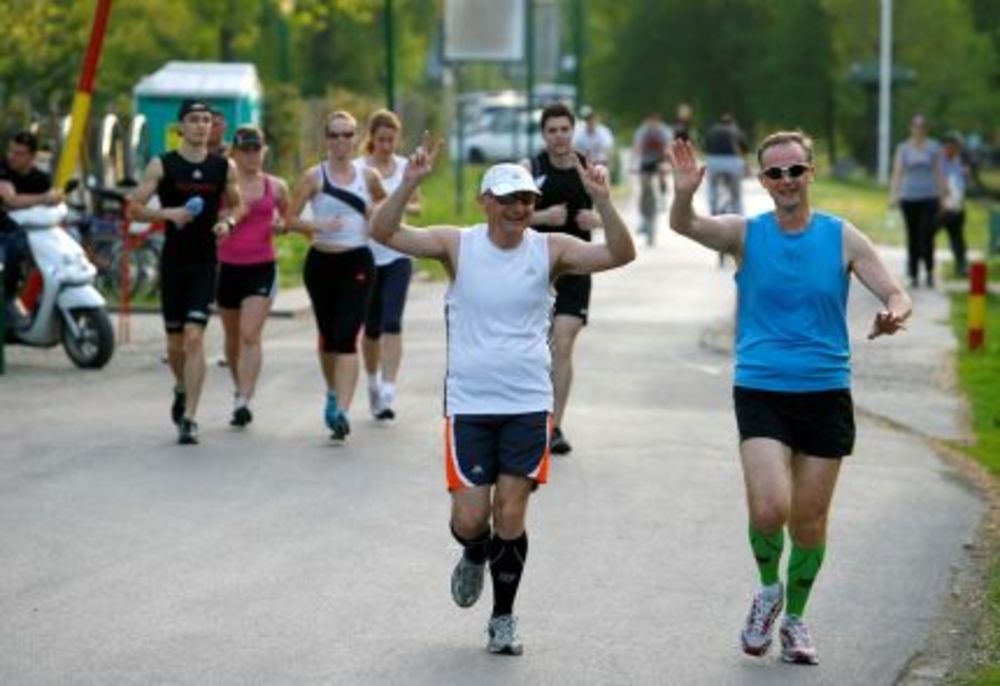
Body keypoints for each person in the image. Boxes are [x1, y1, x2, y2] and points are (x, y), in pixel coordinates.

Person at [371, 137, 635, 656]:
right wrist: (409, 183)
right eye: (509, 199)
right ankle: (473, 552)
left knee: (511, 512)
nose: (519, 209)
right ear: (485, 201)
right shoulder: (457, 243)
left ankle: (503, 617)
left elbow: (620, 253)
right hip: (469, 403)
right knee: (473, 519)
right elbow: (382, 231)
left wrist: (602, 200)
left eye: (527, 201)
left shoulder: (549, 249)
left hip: (528, 402)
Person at [669, 131, 911, 665]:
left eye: (794, 171)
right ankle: (767, 590)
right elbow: (683, 225)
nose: (785, 181)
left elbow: (894, 291)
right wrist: (685, 192)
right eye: (774, 174)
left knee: (808, 521)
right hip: (761, 387)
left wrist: (894, 313)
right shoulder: (745, 234)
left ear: (811, 172)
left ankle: (795, 619)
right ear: (762, 181)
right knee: (769, 506)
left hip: (826, 390)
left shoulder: (842, 237)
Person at [129, 99, 243, 445]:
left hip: (205, 262)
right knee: (175, 342)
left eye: (206, 120)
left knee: (195, 337)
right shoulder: (163, 165)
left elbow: (237, 204)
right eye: (193, 120)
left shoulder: (223, 167)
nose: (200, 126)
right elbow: (134, 208)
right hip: (174, 263)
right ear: (181, 127)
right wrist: (170, 215)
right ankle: (180, 386)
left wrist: (228, 222)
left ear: (212, 127)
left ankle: (190, 418)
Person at [286, 111, 386, 441]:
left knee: (346, 336)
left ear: (356, 138)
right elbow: (289, 219)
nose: (341, 141)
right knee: (328, 337)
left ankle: (342, 411)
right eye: (335, 135)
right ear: (326, 140)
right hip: (321, 264)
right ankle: (332, 392)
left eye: (347, 135)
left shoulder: (368, 176)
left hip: (357, 261)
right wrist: (316, 226)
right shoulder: (314, 177)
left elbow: (387, 211)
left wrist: (374, 216)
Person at [523, 103, 603, 455]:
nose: (559, 136)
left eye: (564, 129)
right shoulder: (531, 169)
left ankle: (553, 426)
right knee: (533, 348)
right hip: (535, 267)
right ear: (544, 134)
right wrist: (543, 215)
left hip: (576, 267)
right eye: (552, 130)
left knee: (563, 341)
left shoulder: (589, 168)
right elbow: (510, 218)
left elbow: (607, 213)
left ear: (574, 132)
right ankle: (527, 415)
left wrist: (595, 220)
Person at [217, 126, 290, 427]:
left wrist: (281, 225)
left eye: (255, 149)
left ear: (264, 151)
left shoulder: (277, 186)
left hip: (261, 266)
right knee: (233, 338)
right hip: (228, 267)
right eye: (245, 150)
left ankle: (243, 399)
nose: (251, 155)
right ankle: (239, 387)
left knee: (250, 334)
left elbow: (289, 216)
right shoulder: (223, 187)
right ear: (234, 153)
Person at [359, 109, 421, 420]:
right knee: (370, 328)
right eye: (381, 139)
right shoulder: (360, 169)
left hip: (398, 251)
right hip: (367, 254)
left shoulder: (405, 167)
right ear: (372, 138)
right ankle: (371, 381)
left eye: (391, 139)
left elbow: (418, 206)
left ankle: (388, 389)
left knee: (392, 321)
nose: (386, 145)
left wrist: (397, 202)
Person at [0, 131, 61, 325]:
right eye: (11, 151)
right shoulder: (3, 169)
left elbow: (54, 202)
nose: (12, 156)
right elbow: (10, 199)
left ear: (32, 157)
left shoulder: (41, 178)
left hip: (30, 232)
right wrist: (44, 198)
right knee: (12, 252)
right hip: (4, 232)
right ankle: (8, 298)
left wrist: (56, 199)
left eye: (19, 153)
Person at [889, 113, 946, 288]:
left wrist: (943, 195)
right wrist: (893, 195)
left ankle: (929, 271)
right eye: (915, 125)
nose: (918, 129)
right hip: (909, 197)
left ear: (926, 129)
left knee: (926, 233)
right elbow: (898, 172)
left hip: (930, 196)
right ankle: (913, 273)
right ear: (911, 128)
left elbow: (938, 172)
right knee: (912, 235)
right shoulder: (904, 148)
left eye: (922, 126)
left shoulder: (934, 147)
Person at [631, 112, 672, 241]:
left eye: (655, 121)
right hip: (646, 162)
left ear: (658, 121)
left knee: (662, 172)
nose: (653, 124)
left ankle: (663, 194)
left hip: (659, 160)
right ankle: (644, 218)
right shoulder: (642, 131)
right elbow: (637, 148)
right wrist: (634, 164)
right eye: (650, 121)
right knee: (644, 188)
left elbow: (668, 147)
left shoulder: (664, 131)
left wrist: (667, 163)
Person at [704, 113, 749, 216]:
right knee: (736, 191)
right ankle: (738, 210)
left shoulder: (712, 130)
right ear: (732, 122)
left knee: (712, 185)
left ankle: (713, 208)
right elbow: (744, 151)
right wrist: (746, 167)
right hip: (732, 161)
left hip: (714, 160)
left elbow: (706, 148)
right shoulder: (736, 130)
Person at [936, 133, 968, 278]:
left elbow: (961, 184)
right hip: (940, 206)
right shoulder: (938, 162)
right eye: (948, 147)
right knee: (927, 234)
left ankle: (961, 265)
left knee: (957, 237)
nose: (950, 150)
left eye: (954, 148)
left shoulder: (960, 162)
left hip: (956, 207)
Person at [572, 105, 615, 170]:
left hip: (601, 163)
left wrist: (609, 164)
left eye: (592, 119)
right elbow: (574, 148)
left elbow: (608, 148)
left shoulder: (603, 132)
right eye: (588, 119)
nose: (590, 121)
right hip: (585, 163)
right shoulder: (580, 134)